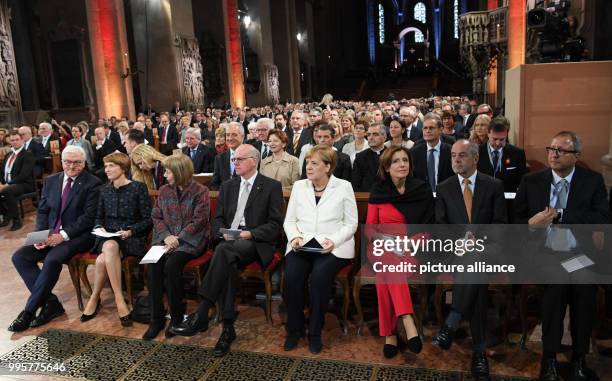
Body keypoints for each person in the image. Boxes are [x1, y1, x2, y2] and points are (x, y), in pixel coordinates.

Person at [171, 145, 283, 359]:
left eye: (240, 159)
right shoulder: (228, 186)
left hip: (254, 240)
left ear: (254, 161)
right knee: (226, 258)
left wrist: (249, 234)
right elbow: (218, 219)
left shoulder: (270, 186)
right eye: (234, 160)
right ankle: (227, 329)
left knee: (223, 252)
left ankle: (202, 313)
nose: (235, 163)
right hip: (229, 241)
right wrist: (222, 234)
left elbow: (275, 224)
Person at [514, 131, 610, 381]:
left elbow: (600, 218)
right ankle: (550, 360)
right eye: (551, 148)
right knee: (556, 285)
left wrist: (562, 214)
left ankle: (579, 358)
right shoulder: (532, 181)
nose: (554, 154)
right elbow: (514, 220)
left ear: (576, 156)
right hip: (544, 253)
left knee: (584, 287)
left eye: (561, 150)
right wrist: (530, 223)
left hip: (578, 253)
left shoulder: (592, 181)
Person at [431, 140, 507, 381]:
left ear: (475, 158)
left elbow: (500, 224)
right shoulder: (444, 188)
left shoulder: (493, 185)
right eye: (453, 155)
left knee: (475, 261)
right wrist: (460, 241)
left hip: (487, 249)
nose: (456, 160)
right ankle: (479, 353)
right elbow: (440, 227)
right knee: (477, 278)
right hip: (455, 251)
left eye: (462, 155)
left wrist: (478, 241)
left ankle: (452, 320)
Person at [9, 146, 101, 332]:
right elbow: (43, 211)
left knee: (52, 259)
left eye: (76, 162)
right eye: (68, 161)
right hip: (50, 234)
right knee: (19, 257)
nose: (71, 166)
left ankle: (28, 311)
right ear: (62, 161)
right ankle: (51, 302)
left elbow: (88, 218)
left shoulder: (94, 183)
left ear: (83, 163)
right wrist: (40, 235)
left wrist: (63, 236)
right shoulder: (51, 180)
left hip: (78, 236)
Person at [283, 145, 358, 354]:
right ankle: (294, 329)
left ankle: (315, 332)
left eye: (314, 163)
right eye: (308, 162)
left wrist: (333, 241)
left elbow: (351, 224)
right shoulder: (299, 186)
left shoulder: (343, 187)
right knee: (292, 276)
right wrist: (295, 237)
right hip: (303, 243)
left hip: (333, 246)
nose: (309, 167)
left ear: (328, 166)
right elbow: (289, 221)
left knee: (319, 277)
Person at [367, 146, 433, 358]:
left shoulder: (421, 189)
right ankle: (406, 318)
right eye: (396, 161)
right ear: (386, 167)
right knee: (387, 258)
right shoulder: (378, 191)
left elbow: (429, 227)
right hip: (380, 246)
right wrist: (386, 241)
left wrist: (408, 244)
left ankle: (390, 333)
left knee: (384, 273)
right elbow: (369, 228)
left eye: (405, 160)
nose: (402, 164)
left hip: (409, 249)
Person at [80, 152, 152, 326]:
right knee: (110, 246)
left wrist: (131, 231)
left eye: (111, 165)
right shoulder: (104, 190)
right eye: (106, 166)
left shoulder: (138, 188)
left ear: (123, 168)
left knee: (102, 259)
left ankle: (94, 298)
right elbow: (98, 217)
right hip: (107, 238)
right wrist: (99, 228)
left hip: (130, 238)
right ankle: (120, 299)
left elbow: (148, 219)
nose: (107, 170)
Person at [144, 154, 211, 339]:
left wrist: (178, 238)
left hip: (191, 240)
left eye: (167, 171)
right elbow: (156, 215)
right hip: (165, 239)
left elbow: (200, 220)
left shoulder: (200, 191)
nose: (165, 175)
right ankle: (156, 319)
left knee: (172, 265)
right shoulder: (164, 190)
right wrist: (166, 236)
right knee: (153, 267)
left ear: (179, 172)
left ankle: (176, 318)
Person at [477, 116, 528, 193]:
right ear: (488, 133)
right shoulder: (477, 152)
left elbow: (521, 182)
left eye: (501, 139)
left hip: (507, 200)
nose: (498, 143)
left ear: (506, 134)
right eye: (494, 139)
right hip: (483, 199)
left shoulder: (517, 153)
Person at [1, 130, 35, 231]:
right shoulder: (8, 155)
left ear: (22, 140)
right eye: (12, 140)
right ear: (9, 142)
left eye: (17, 140)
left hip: (23, 184)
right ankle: (6, 214)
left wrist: (6, 185)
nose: (15, 142)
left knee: (7, 191)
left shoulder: (27, 154)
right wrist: (1, 183)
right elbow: (2, 172)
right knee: (5, 189)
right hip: (9, 184)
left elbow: (23, 175)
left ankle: (17, 221)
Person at [411, 113, 453, 191]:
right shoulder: (414, 152)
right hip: (423, 197)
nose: (428, 131)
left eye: (431, 128)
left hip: (446, 195)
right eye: (425, 128)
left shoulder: (451, 151)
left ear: (440, 130)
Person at [352, 123, 386, 192]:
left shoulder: (392, 155)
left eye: (375, 134)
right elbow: (356, 183)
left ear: (384, 137)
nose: (371, 137)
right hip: (366, 198)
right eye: (369, 134)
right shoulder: (360, 157)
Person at [211, 122, 244, 189]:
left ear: (243, 136)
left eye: (234, 135)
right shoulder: (219, 158)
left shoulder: (251, 154)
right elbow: (215, 183)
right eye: (228, 135)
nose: (230, 138)